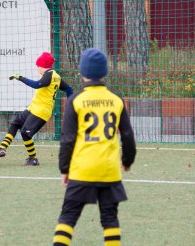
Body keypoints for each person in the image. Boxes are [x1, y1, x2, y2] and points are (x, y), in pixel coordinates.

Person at [52, 48, 137, 246]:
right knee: (109, 220)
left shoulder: (75, 100)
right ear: (105, 73)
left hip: (82, 170)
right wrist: (127, 160)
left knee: (68, 217)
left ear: (82, 73)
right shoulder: (116, 100)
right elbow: (127, 135)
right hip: (109, 171)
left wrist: (65, 169)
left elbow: (67, 139)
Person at [0, 52, 73, 166]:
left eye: (37, 66)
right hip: (34, 108)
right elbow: (69, 89)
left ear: (41, 66)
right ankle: (1, 148)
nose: (37, 69)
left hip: (41, 111)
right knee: (16, 123)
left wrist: (20, 78)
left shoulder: (49, 75)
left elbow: (37, 84)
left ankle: (33, 159)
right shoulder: (56, 76)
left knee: (25, 133)